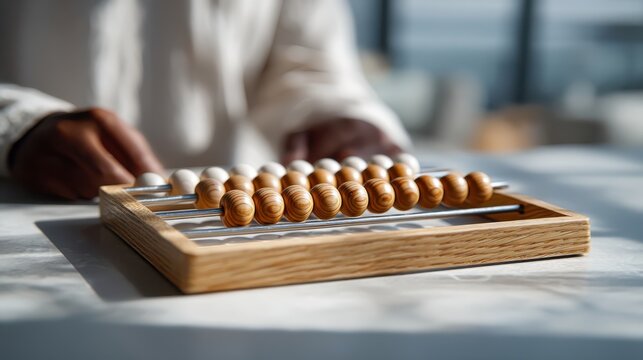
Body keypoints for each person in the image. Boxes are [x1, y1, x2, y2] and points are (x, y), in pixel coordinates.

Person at [0, 0, 410, 199]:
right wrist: (17, 124)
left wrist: (341, 115)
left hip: (228, 224)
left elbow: (310, 62)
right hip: (25, 214)